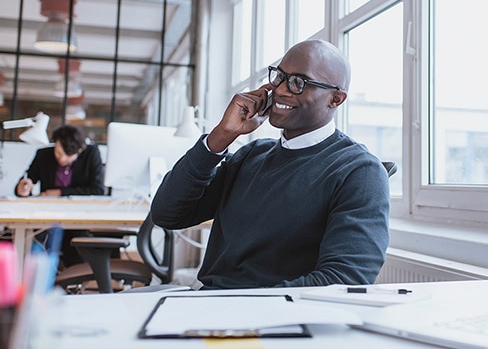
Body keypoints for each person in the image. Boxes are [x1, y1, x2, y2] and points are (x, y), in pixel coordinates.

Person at [151, 39, 390, 289]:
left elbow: (343, 280)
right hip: (212, 307)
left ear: (336, 99)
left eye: (299, 82)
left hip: (273, 320)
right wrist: (220, 136)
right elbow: (167, 214)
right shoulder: (252, 155)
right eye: (279, 76)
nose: (282, 90)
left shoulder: (359, 172)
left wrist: (237, 306)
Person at [15, 124, 106, 267]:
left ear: (79, 150)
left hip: (78, 216)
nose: (61, 158)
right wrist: (23, 189)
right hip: (46, 216)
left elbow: (98, 190)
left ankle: (74, 280)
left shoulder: (91, 154)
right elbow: (26, 182)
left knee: (78, 244)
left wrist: (59, 192)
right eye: (58, 153)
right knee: (37, 240)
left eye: (68, 155)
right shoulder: (43, 155)